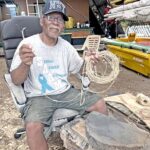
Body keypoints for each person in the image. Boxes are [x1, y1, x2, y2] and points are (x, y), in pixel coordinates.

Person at [10, 0, 107, 149]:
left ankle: (98, 144)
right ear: (42, 20)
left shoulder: (66, 47)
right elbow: (16, 80)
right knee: (32, 127)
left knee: (99, 104)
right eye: (51, 17)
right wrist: (25, 64)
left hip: (65, 92)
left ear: (63, 26)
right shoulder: (27, 45)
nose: (56, 23)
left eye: (60, 19)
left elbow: (81, 70)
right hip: (38, 96)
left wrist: (88, 61)